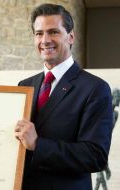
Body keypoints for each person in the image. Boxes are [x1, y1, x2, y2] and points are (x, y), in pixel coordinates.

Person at [15, 3, 113, 190]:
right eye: (39, 33)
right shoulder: (25, 86)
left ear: (71, 37)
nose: (45, 40)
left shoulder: (95, 88)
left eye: (53, 32)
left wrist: (38, 144)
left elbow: (95, 156)